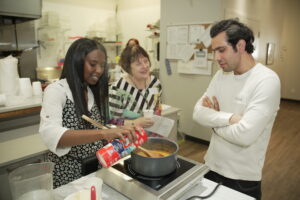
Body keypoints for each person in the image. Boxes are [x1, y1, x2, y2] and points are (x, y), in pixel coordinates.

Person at [192, 19, 280, 199]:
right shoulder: (221, 75)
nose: (216, 58)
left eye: (221, 50)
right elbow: (198, 113)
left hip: (242, 179)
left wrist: (214, 121)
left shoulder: (266, 80)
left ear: (240, 46)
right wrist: (231, 118)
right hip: (211, 167)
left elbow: (244, 135)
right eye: (214, 51)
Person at [39, 38, 137, 188]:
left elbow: (97, 131)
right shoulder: (56, 90)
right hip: (69, 175)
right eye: (93, 64)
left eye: (102, 66)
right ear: (77, 61)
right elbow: (52, 134)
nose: (99, 70)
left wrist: (115, 135)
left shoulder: (92, 91)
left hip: (94, 171)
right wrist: (103, 134)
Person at [109, 45, 162, 128]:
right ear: (128, 68)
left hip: (151, 134)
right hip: (127, 137)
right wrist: (135, 122)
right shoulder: (118, 89)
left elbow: (157, 107)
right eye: (138, 64)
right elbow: (112, 122)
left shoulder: (155, 83)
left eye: (146, 61)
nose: (145, 66)